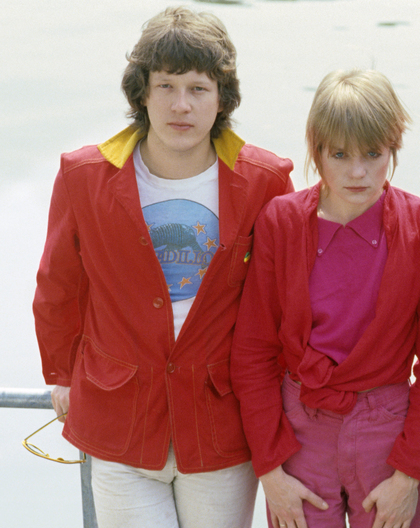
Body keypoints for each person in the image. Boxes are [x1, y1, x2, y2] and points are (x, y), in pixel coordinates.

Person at [32, 6, 294, 528]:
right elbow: (58, 284)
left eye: (198, 88)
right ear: (141, 93)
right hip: (118, 418)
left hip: (221, 422)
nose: (181, 105)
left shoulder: (267, 180)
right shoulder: (83, 176)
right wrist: (60, 374)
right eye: (166, 85)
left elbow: (284, 302)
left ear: (222, 97)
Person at [230, 69, 420, 528]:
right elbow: (253, 351)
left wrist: (411, 474)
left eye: (373, 154)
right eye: (339, 155)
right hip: (299, 431)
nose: (358, 172)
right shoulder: (281, 221)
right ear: (316, 150)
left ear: (393, 147)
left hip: (388, 433)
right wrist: (271, 471)